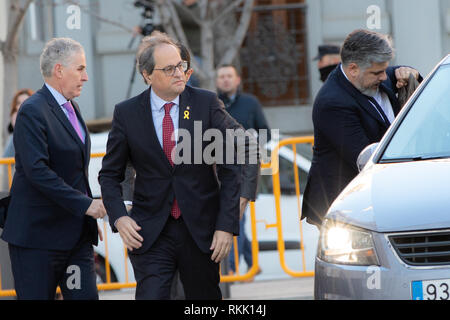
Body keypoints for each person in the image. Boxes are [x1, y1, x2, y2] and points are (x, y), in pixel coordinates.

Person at [99, 33, 258, 300]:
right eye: (169, 68)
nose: (179, 73)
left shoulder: (206, 103)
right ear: (147, 75)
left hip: (201, 230)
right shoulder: (126, 113)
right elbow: (109, 175)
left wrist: (226, 224)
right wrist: (119, 217)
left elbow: (234, 164)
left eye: (181, 65)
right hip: (149, 232)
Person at [1, 38, 106, 300]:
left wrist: (86, 211)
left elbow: (74, 171)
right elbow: (38, 171)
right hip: (38, 240)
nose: (86, 77)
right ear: (59, 70)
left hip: (75, 238)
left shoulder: (73, 108)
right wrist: (85, 205)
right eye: (80, 69)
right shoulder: (32, 110)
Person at [302, 29, 421, 227]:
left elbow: (400, 74)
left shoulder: (374, 74)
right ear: (353, 69)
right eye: (378, 72)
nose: (385, 77)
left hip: (377, 198)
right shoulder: (332, 103)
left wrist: (412, 73)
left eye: (386, 69)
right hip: (343, 206)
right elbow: (365, 159)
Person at [216, 64, 268, 276]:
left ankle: (232, 270)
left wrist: (251, 146)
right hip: (218, 171)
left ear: (237, 79)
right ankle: (250, 263)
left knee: (236, 219)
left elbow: (266, 132)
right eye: (221, 77)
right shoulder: (212, 103)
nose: (225, 80)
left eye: (229, 76)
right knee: (234, 221)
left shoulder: (250, 103)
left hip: (243, 171)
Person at [3, 89, 34, 158]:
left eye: (25, 102)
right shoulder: (13, 135)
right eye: (18, 103)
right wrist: (16, 128)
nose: (21, 105)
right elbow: (6, 158)